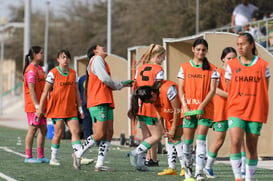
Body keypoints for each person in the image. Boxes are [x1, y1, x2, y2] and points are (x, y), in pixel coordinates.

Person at [74, 45, 132, 171]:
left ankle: (100, 164)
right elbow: (106, 79)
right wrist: (118, 85)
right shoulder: (96, 59)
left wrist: (124, 83)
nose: (104, 48)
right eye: (101, 47)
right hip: (98, 101)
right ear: (95, 51)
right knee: (99, 133)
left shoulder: (102, 62)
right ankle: (78, 153)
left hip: (105, 100)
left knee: (109, 133)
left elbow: (107, 82)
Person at [225, 32, 270, 181]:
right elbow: (229, 89)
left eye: (243, 44)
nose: (240, 47)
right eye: (238, 44)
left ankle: (249, 178)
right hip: (235, 109)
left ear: (251, 45)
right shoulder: (231, 66)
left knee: (251, 147)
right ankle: (238, 177)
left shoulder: (263, 66)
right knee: (236, 141)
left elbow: (265, 89)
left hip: (255, 110)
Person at [177, 38, 218, 181]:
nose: (201, 52)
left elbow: (212, 90)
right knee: (187, 143)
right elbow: (180, 89)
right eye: (198, 49)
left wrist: (201, 106)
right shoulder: (184, 67)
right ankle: (188, 171)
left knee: (201, 141)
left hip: (205, 110)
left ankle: (199, 172)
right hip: (188, 110)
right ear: (193, 49)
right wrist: (185, 107)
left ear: (207, 51)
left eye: (204, 50)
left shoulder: (213, 69)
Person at [36, 49, 84, 169]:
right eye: (63, 57)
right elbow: (45, 92)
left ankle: (78, 156)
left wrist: (80, 108)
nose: (65, 60)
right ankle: (53, 157)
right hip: (57, 109)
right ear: (58, 59)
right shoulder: (53, 73)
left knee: (76, 131)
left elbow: (77, 92)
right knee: (59, 133)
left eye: (67, 57)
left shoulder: (73, 73)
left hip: (71, 109)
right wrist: (40, 108)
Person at [203, 47, 246, 178]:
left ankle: (243, 168)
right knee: (219, 141)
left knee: (239, 139)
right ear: (223, 59)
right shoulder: (218, 72)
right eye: (229, 58)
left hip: (235, 111)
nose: (232, 60)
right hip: (221, 111)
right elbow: (214, 90)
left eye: (234, 58)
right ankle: (208, 166)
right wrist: (231, 95)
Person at [129, 80, 185, 175]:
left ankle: (185, 167)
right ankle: (172, 168)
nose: (151, 103)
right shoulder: (153, 97)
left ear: (152, 93)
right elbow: (159, 112)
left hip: (181, 113)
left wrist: (173, 129)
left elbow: (177, 109)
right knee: (170, 139)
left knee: (176, 139)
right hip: (169, 115)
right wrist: (163, 127)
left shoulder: (168, 89)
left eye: (150, 101)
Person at [128, 44, 165, 171]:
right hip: (151, 105)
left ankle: (140, 163)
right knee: (156, 136)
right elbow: (156, 88)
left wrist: (132, 106)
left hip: (140, 105)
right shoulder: (158, 69)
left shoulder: (140, 68)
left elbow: (135, 88)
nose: (164, 60)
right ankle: (135, 153)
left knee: (146, 136)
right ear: (159, 56)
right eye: (163, 57)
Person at [23, 46, 49, 163]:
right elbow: (31, 89)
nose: (43, 55)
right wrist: (37, 106)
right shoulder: (31, 70)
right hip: (34, 106)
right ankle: (28, 157)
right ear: (34, 55)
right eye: (41, 53)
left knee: (43, 129)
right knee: (33, 129)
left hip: (42, 105)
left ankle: (40, 156)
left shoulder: (40, 69)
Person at [78, 74, 93, 139]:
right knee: (96, 121)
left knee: (87, 121)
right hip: (93, 102)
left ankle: (88, 138)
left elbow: (78, 90)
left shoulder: (81, 79)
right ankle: (97, 139)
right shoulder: (94, 78)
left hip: (84, 102)